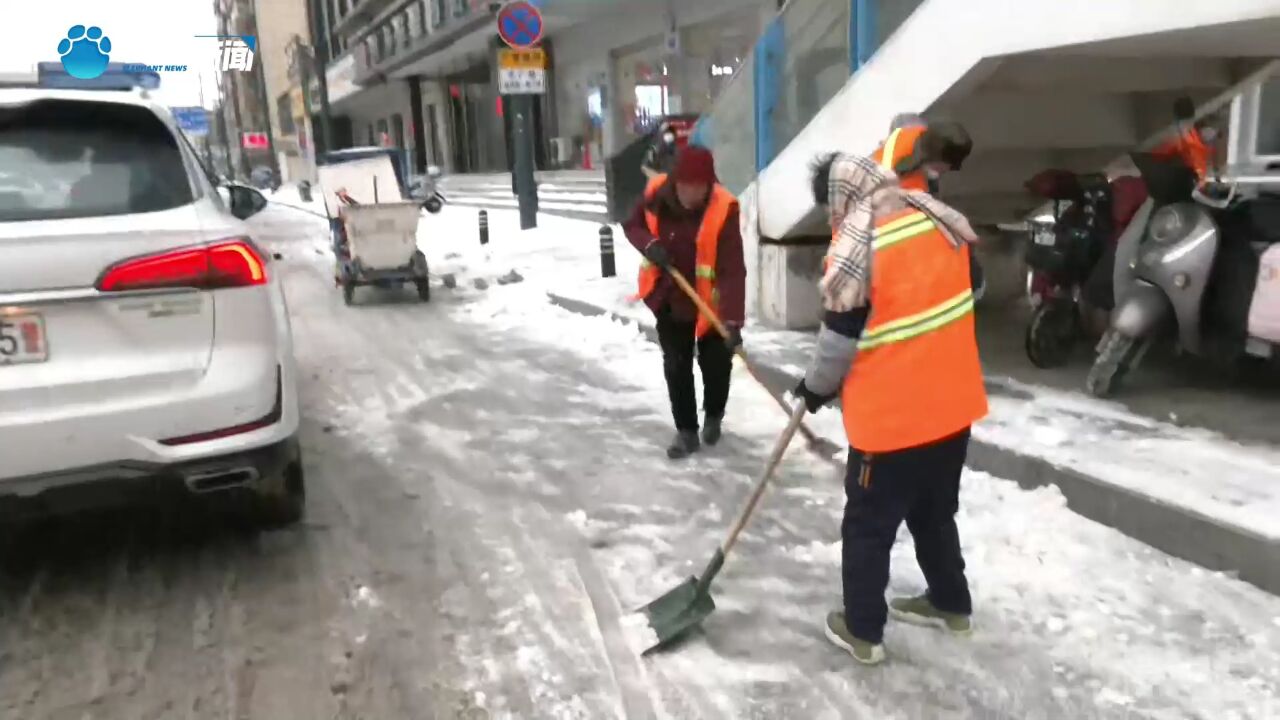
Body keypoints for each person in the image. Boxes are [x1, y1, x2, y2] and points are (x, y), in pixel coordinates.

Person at [795, 123, 989, 666]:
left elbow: (837, 342)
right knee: (934, 513)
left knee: (868, 526)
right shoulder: (934, 216)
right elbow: (971, 286)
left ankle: (862, 630)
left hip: (893, 422)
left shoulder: (858, 246)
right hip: (951, 410)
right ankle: (951, 604)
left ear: (841, 196)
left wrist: (813, 388)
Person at [624, 146, 746, 459]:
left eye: (699, 187)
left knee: (717, 362)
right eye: (685, 186)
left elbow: (732, 270)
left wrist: (732, 321)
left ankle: (714, 416)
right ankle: (686, 431)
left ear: (709, 184)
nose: (691, 194)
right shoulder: (656, 194)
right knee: (676, 365)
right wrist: (650, 246)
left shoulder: (723, 208)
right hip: (670, 294)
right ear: (675, 181)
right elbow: (631, 224)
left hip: (711, 302)